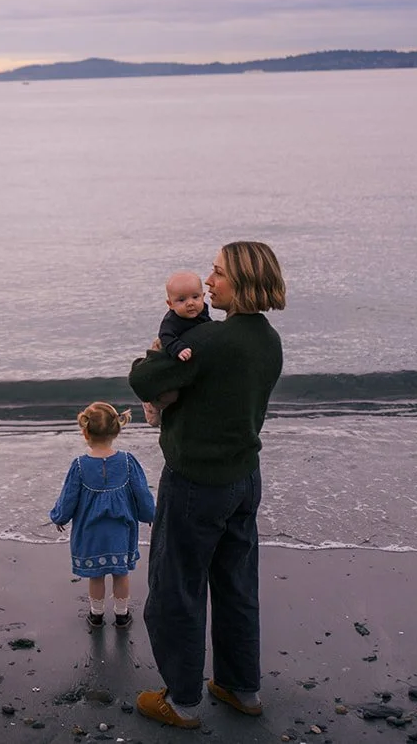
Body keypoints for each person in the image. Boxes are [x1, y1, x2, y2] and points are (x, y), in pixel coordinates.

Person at [128, 241, 286, 729]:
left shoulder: (212, 343)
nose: (209, 282)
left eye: (217, 274)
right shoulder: (268, 339)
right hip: (243, 478)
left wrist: (150, 359)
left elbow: (145, 380)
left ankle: (182, 702)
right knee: (237, 584)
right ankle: (242, 688)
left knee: (177, 589)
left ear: (240, 281)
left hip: (195, 482)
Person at [49, 402, 156, 631]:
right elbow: (142, 492)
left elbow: (68, 498)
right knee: (120, 573)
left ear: (85, 431)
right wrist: (149, 514)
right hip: (121, 530)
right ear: (117, 429)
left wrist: (59, 517)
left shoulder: (79, 465)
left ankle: (96, 616)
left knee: (96, 575)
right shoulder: (128, 462)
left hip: (90, 532)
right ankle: (121, 615)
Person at [143, 271, 212, 426]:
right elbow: (166, 336)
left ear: (203, 295)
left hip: (185, 353)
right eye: (181, 300)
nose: (190, 303)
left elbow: (207, 326)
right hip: (167, 346)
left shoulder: (202, 312)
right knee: (171, 395)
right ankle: (152, 404)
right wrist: (178, 348)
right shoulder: (171, 321)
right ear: (170, 304)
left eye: (195, 297)